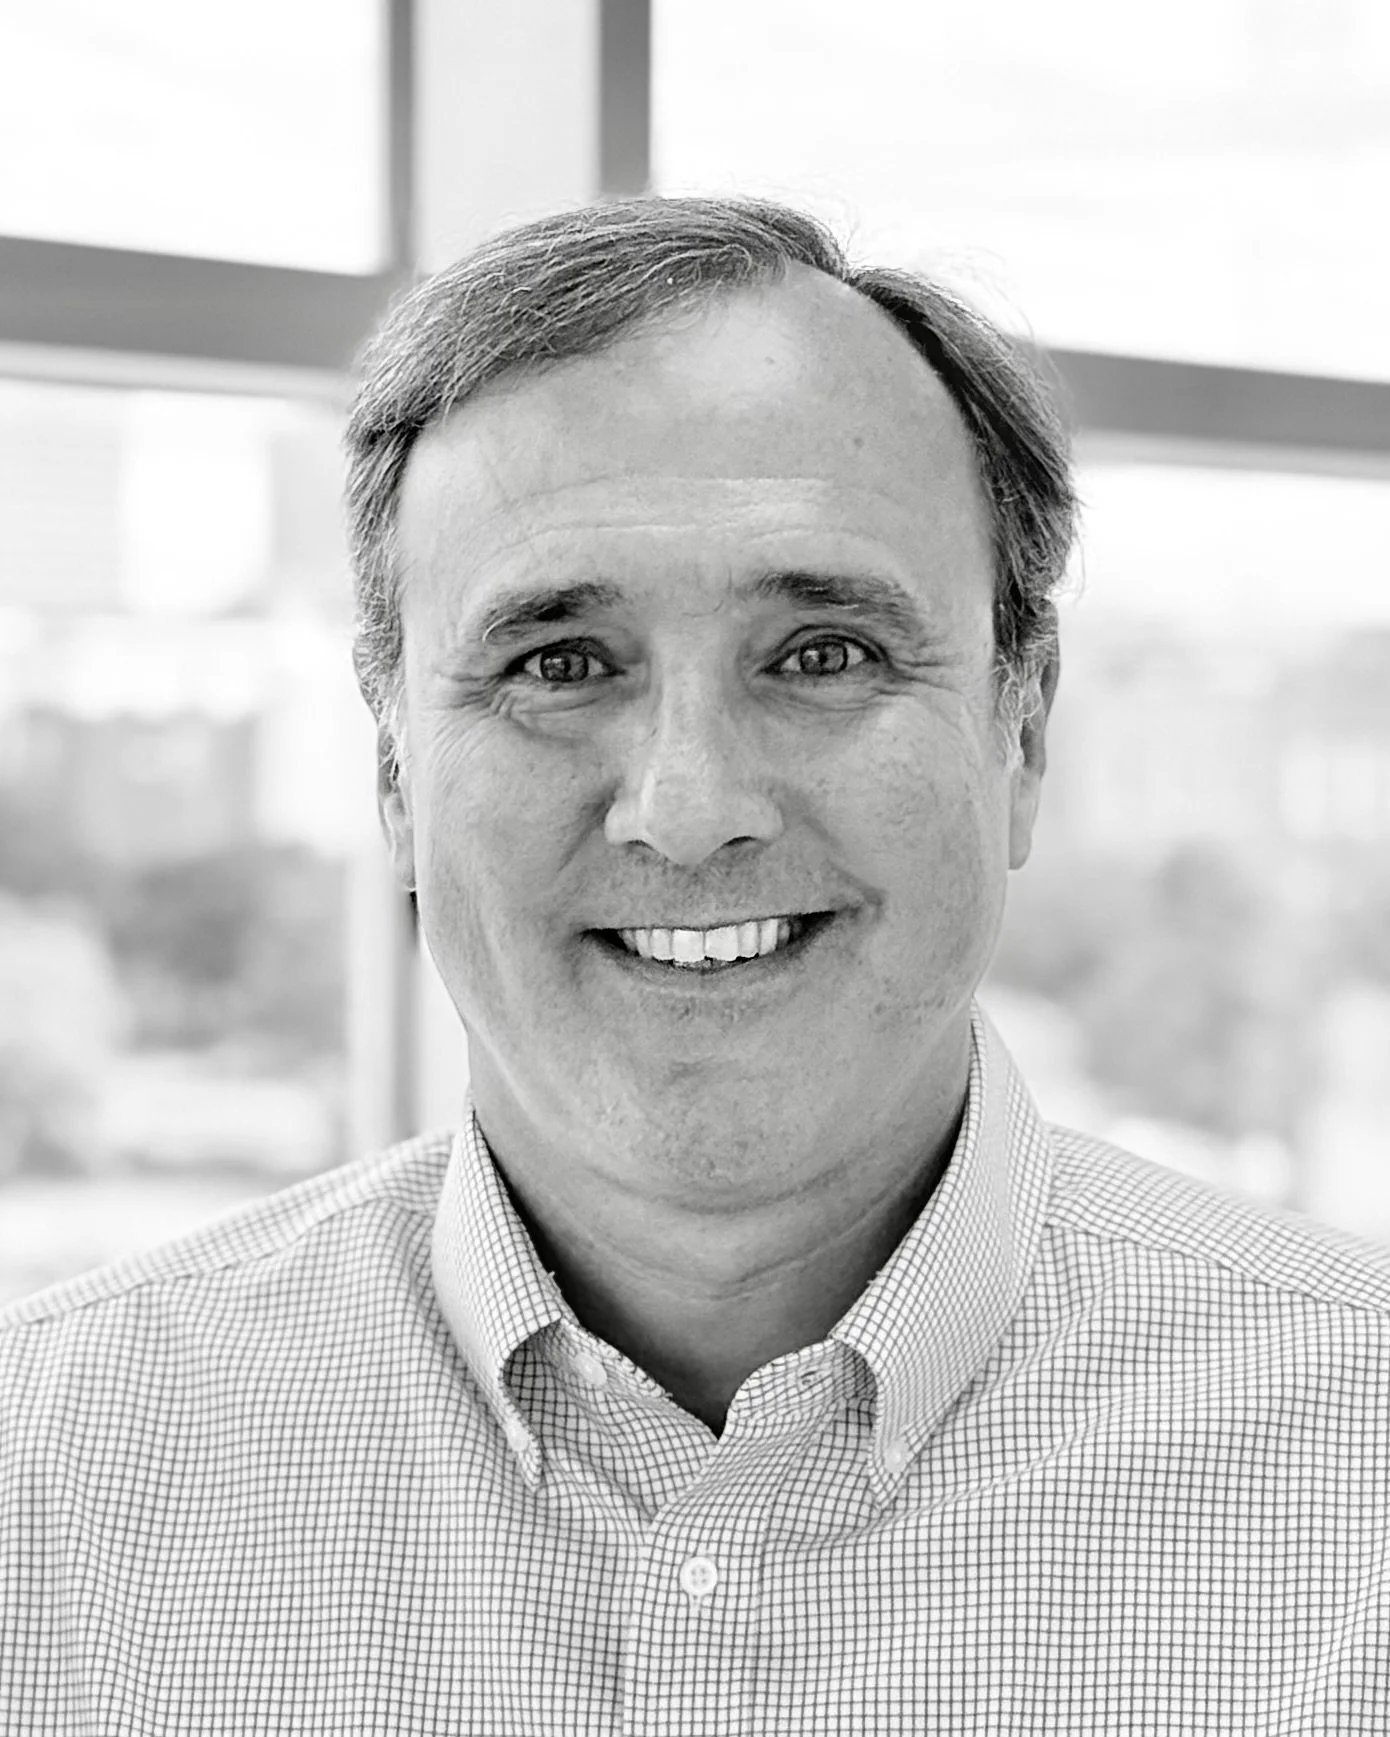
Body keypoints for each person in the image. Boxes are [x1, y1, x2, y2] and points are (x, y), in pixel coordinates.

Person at [3, 196, 1387, 1735]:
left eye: (824, 654)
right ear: (395, 774)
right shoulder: (43, 1490)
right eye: (556, 664)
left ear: (1022, 733)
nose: (688, 806)